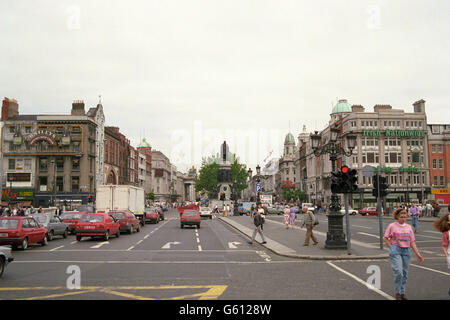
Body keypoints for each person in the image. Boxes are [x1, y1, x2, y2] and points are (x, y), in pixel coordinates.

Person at [384, 208, 424, 300]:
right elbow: (385, 238)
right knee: (399, 272)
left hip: (406, 251)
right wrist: (392, 247)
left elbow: (412, 242)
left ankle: (402, 292)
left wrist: (418, 254)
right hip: (396, 250)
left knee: (405, 273)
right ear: (397, 217)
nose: (403, 219)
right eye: (401, 217)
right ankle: (397, 292)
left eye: (405, 217)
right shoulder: (392, 226)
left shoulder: (409, 227)